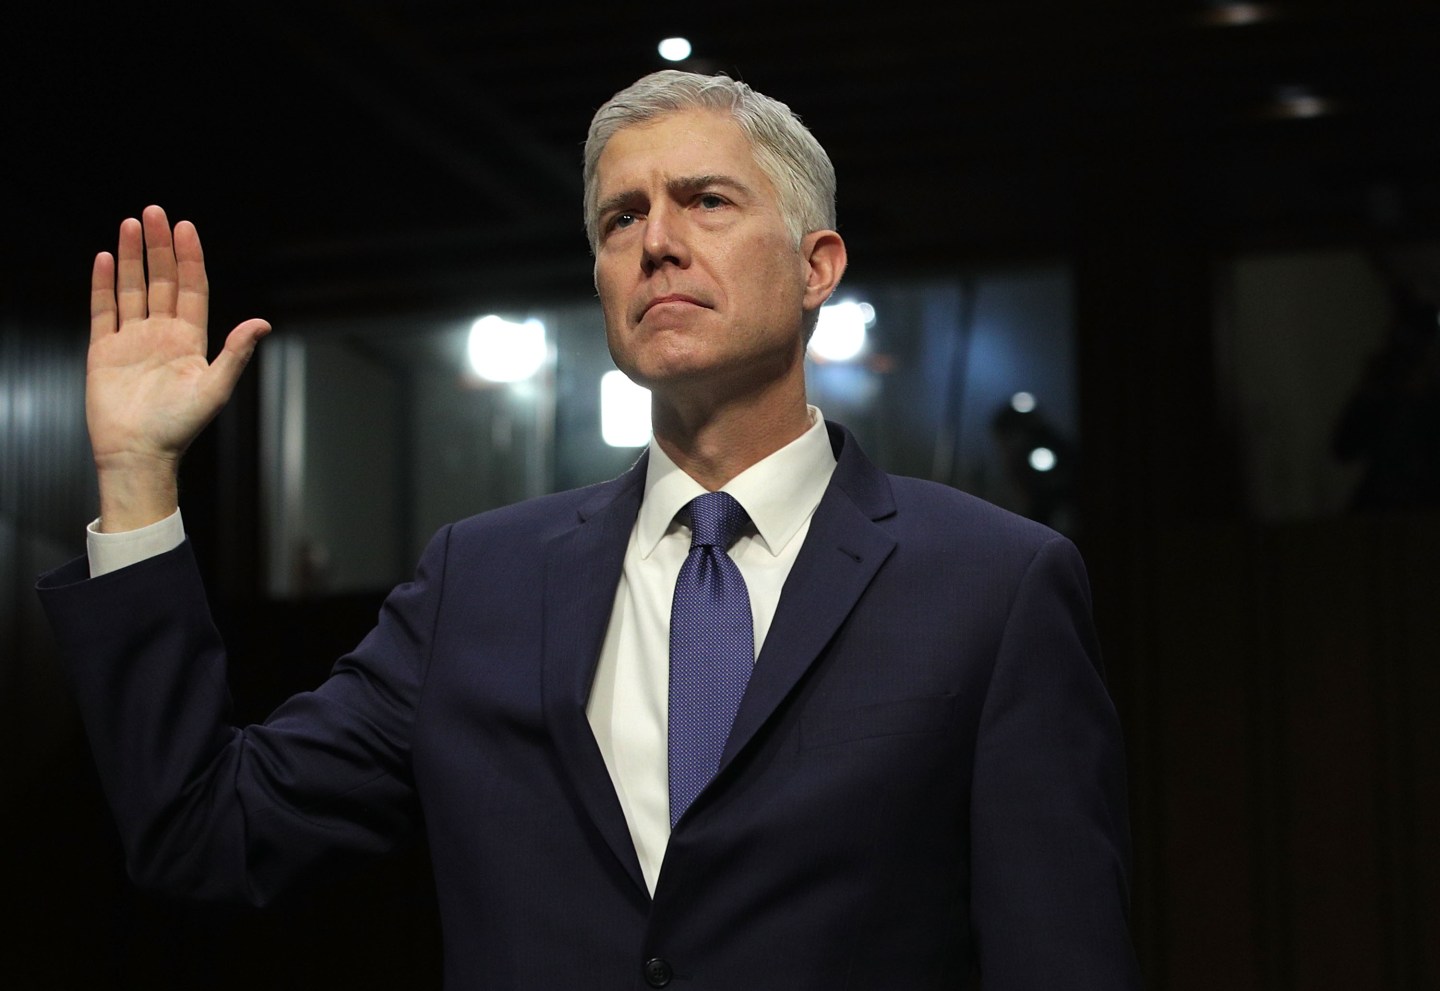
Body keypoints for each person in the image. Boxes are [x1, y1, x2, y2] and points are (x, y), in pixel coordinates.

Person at [38, 70, 1141, 989]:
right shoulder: (483, 582)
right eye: (622, 217)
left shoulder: (994, 584)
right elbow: (206, 831)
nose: (657, 241)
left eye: (706, 200)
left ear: (818, 267)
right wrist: (137, 476)